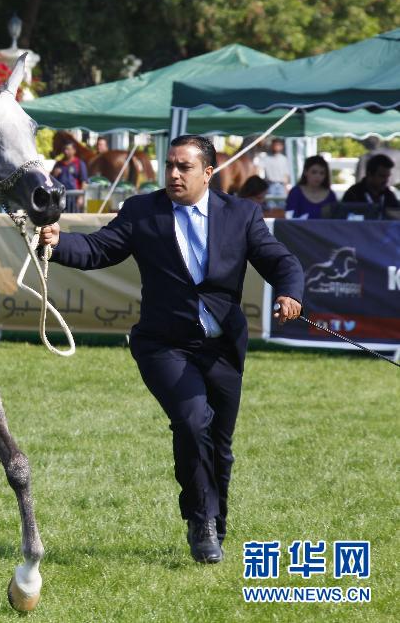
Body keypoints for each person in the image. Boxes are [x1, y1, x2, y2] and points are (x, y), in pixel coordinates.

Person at [39, 135, 303, 564]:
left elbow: (281, 261)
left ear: (208, 173)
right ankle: (200, 522)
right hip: (163, 345)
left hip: (221, 347)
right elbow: (97, 249)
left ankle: (217, 519)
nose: (174, 175)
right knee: (192, 421)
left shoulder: (242, 214)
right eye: (170, 166)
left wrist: (291, 293)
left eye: (184, 167)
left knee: (220, 442)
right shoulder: (144, 211)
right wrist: (54, 241)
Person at [342, 154, 399, 218]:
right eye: (382, 176)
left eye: (387, 176)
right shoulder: (353, 194)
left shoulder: (388, 195)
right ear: (369, 174)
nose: (386, 180)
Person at [284, 155, 337, 219]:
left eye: (322, 173)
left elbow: (334, 220)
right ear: (306, 172)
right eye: (314, 172)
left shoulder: (331, 195)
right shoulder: (296, 192)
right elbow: (289, 218)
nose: (318, 176)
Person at [52, 141, 89, 212]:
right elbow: (51, 181)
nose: (66, 151)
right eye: (64, 149)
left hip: (74, 199)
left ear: (74, 150)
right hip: (60, 199)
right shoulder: (58, 164)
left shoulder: (79, 163)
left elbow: (84, 182)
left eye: (68, 149)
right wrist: (54, 174)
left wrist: (80, 197)